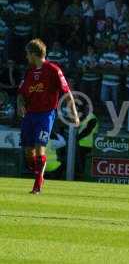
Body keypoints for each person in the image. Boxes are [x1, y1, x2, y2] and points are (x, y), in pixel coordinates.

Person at [17, 39, 80, 194]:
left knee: (40, 148)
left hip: (46, 115)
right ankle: (38, 171)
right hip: (29, 115)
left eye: (27, 54)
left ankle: (37, 184)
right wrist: (20, 105)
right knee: (28, 153)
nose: (26, 57)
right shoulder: (29, 71)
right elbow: (21, 93)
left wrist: (75, 114)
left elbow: (67, 93)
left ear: (33, 54)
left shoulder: (53, 70)